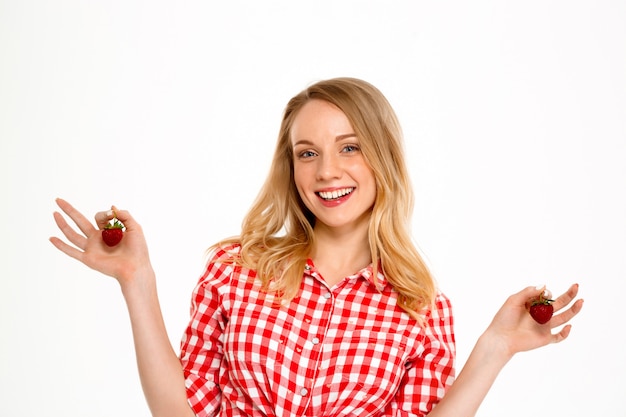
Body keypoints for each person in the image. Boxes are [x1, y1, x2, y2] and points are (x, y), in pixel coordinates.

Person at [50, 77, 583, 417]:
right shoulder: (234, 269)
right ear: (292, 168)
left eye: (349, 147)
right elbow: (179, 415)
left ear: (384, 159)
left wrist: (494, 350)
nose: (327, 171)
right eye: (307, 153)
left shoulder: (420, 307)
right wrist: (137, 280)